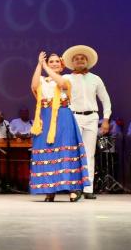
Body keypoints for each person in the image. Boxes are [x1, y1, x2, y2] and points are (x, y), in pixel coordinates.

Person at [30, 51, 88, 202]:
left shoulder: (67, 77)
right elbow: (34, 86)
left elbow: (61, 84)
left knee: (66, 151)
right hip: (45, 117)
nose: (54, 64)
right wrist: (39, 64)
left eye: (57, 62)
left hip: (62, 116)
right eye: (51, 62)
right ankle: (50, 189)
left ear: (62, 65)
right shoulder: (43, 79)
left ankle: (73, 188)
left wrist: (46, 67)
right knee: (48, 150)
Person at [62, 44, 111, 200]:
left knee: (90, 154)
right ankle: (75, 187)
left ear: (87, 61)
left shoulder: (95, 78)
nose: (80, 60)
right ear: (72, 62)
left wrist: (106, 119)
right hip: (74, 117)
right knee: (75, 153)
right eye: (76, 59)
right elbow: (59, 98)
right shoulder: (66, 78)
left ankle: (88, 188)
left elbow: (106, 100)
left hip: (92, 118)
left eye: (82, 58)